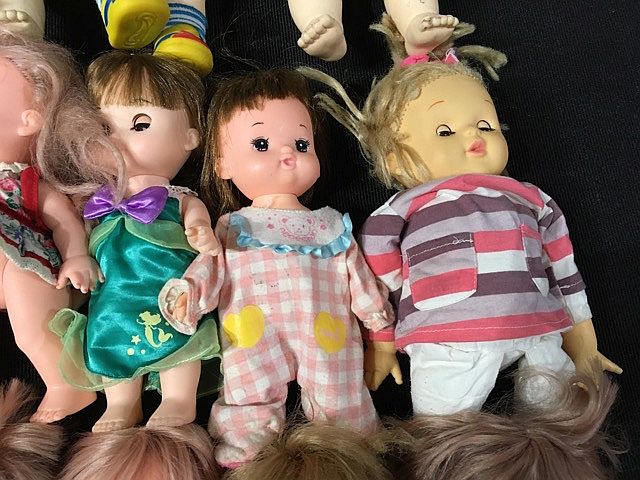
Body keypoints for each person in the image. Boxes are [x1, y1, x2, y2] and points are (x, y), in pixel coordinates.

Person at [51, 50, 222, 432]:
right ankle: (121, 403)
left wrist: (201, 231)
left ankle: (178, 398)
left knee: (180, 334)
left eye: (140, 125)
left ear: (190, 137)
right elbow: (75, 236)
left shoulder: (179, 198)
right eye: (104, 128)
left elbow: (197, 218)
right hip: (112, 295)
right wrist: (78, 256)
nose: (118, 140)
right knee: (107, 337)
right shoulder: (93, 202)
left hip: (167, 289)